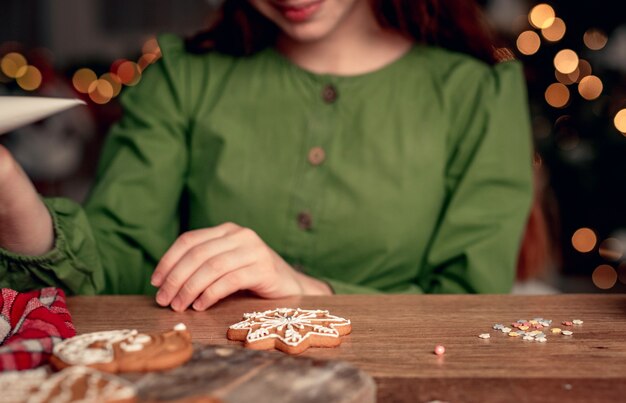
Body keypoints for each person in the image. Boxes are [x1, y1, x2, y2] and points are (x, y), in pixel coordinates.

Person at [0, 0, 535, 311]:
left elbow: (469, 304)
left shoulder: (478, 95)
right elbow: (115, 263)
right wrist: (14, 200)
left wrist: (307, 291)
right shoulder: (184, 77)